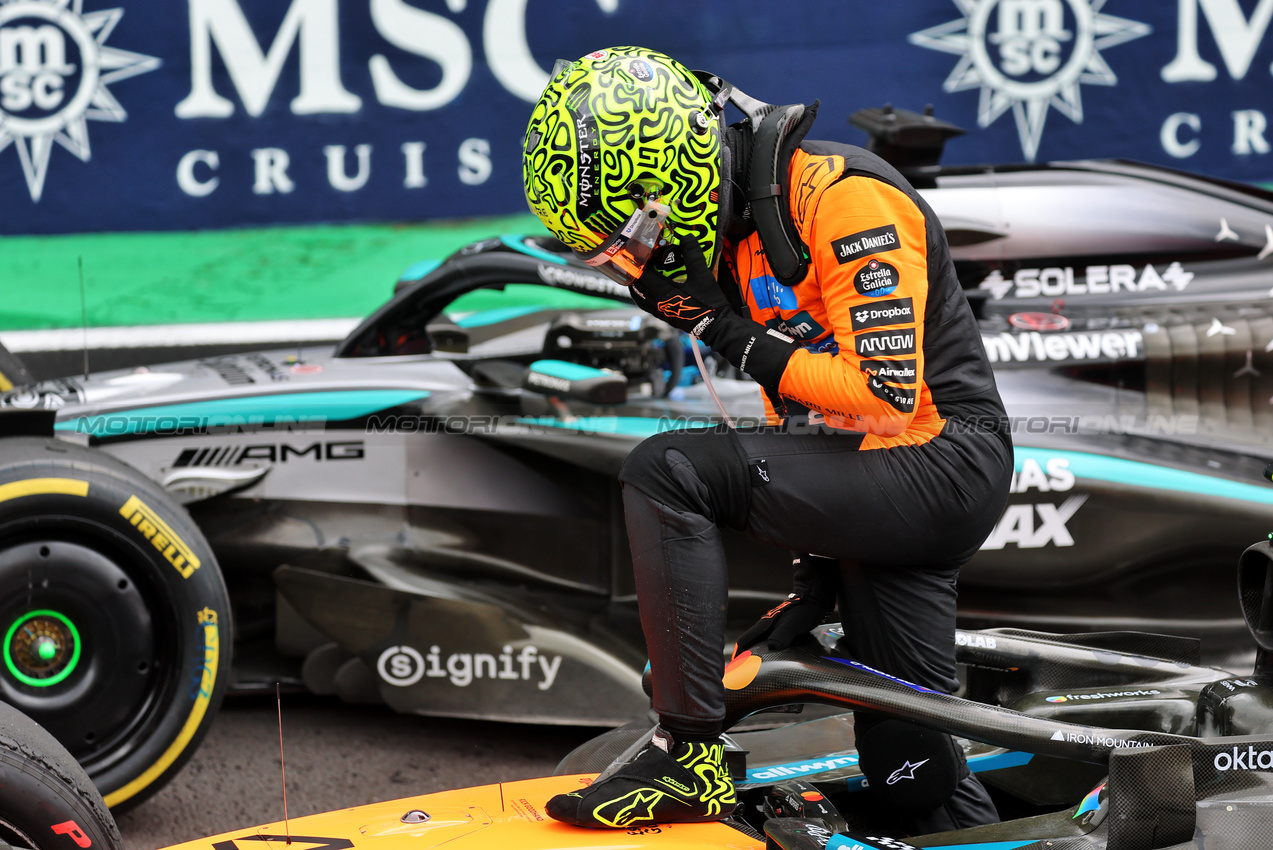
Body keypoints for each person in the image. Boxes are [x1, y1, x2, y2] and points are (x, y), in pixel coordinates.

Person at [521, 46, 1012, 833]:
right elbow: (808, 414)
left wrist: (717, 324)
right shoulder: (747, 226)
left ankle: (686, 755)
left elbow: (881, 401)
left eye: (626, 240)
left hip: (938, 462)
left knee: (667, 468)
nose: (633, 262)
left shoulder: (844, 200)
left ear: (668, 185)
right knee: (910, 771)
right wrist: (815, 574)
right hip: (886, 482)